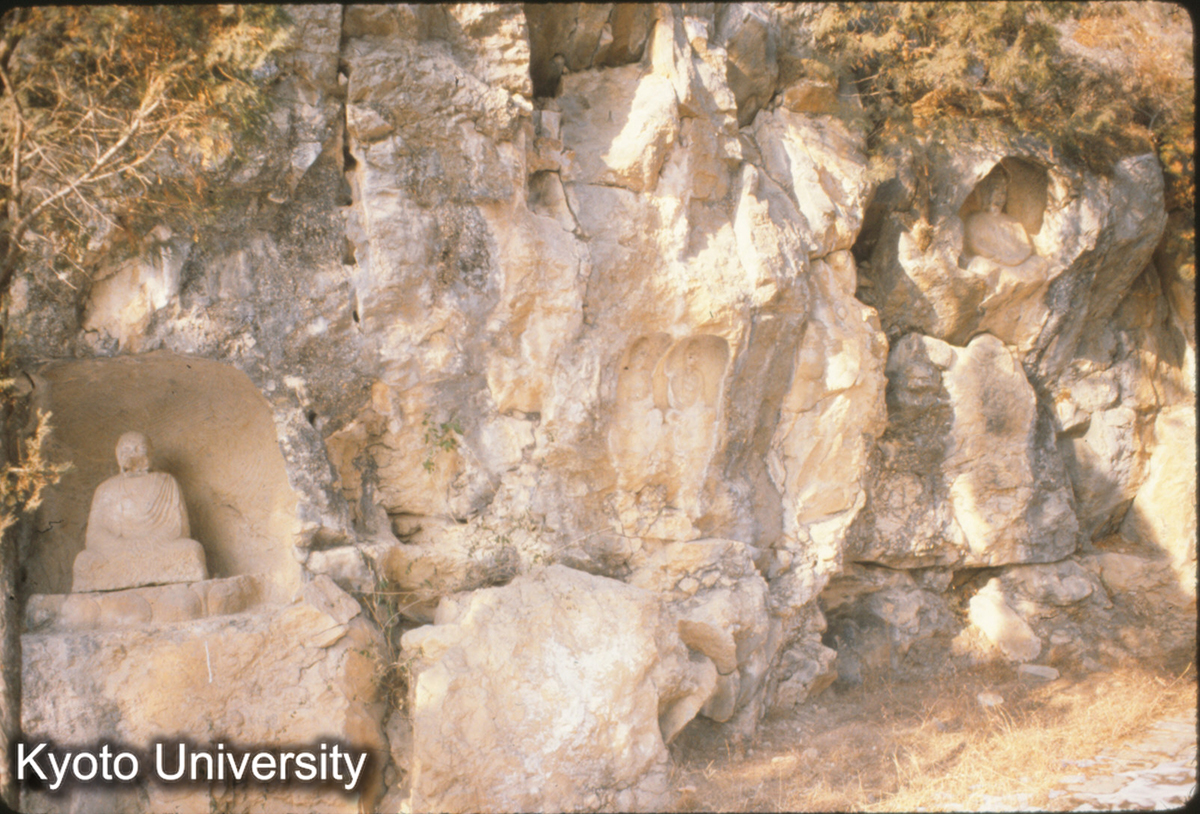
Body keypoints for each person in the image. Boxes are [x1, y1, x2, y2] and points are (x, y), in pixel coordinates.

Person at [72, 432, 208, 592]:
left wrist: (147, 543)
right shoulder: (106, 489)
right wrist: (122, 545)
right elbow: (94, 534)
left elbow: (178, 527)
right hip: (118, 552)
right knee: (84, 561)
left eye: (140, 448)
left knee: (192, 550)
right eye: (127, 449)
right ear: (117, 453)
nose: (133, 453)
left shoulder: (167, 482)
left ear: (150, 452)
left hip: (157, 547)